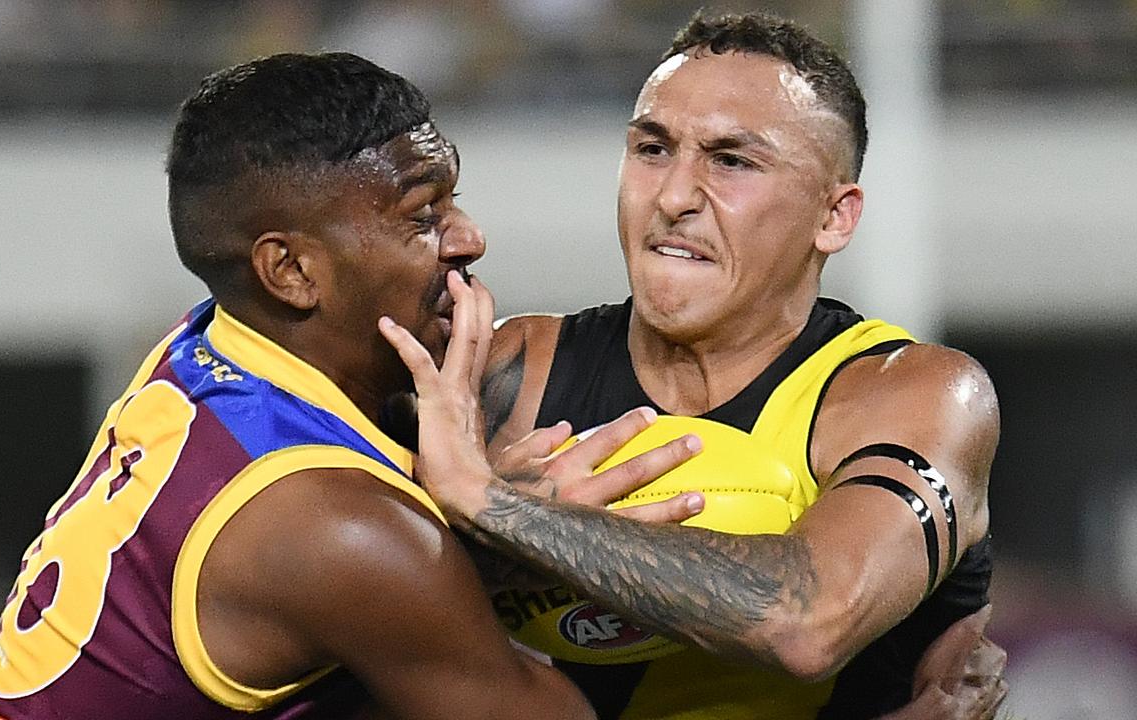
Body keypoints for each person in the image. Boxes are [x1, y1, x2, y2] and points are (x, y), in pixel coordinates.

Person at [379, 11, 1008, 720]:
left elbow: (806, 621)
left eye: (731, 160)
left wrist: (492, 506)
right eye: (652, 149)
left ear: (834, 216)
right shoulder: (506, 375)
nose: (674, 197)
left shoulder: (913, 393)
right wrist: (479, 557)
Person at [0, 52, 604, 720]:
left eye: (453, 200)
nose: (469, 238)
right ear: (288, 271)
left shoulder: (207, 339)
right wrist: (505, 518)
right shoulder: (341, 530)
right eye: (423, 215)